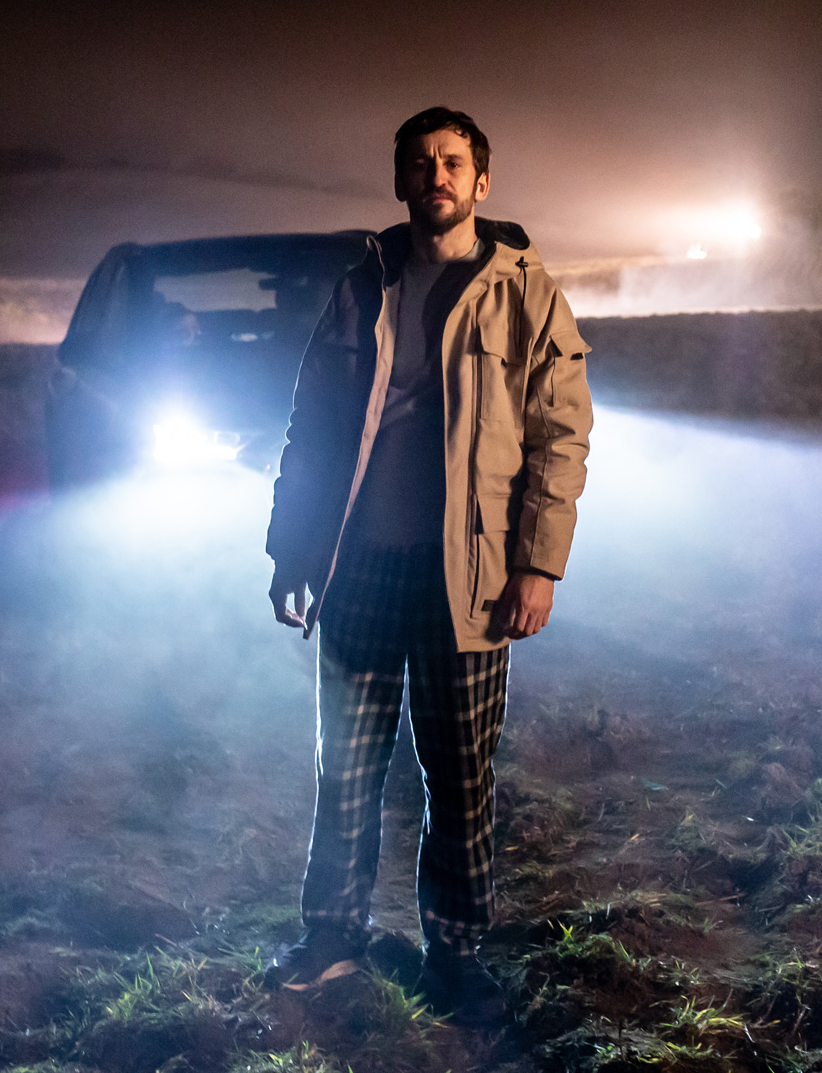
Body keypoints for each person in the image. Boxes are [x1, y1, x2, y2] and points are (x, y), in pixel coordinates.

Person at [263, 107, 593, 1024]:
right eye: (419, 161)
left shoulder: (526, 293)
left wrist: (539, 566)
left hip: (471, 580)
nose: (435, 174)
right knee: (346, 767)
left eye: (452, 161)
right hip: (361, 567)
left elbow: (560, 437)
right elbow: (312, 428)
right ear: (402, 180)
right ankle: (333, 936)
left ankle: (454, 954)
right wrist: (292, 546)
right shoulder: (362, 288)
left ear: (481, 182)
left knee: (459, 775)